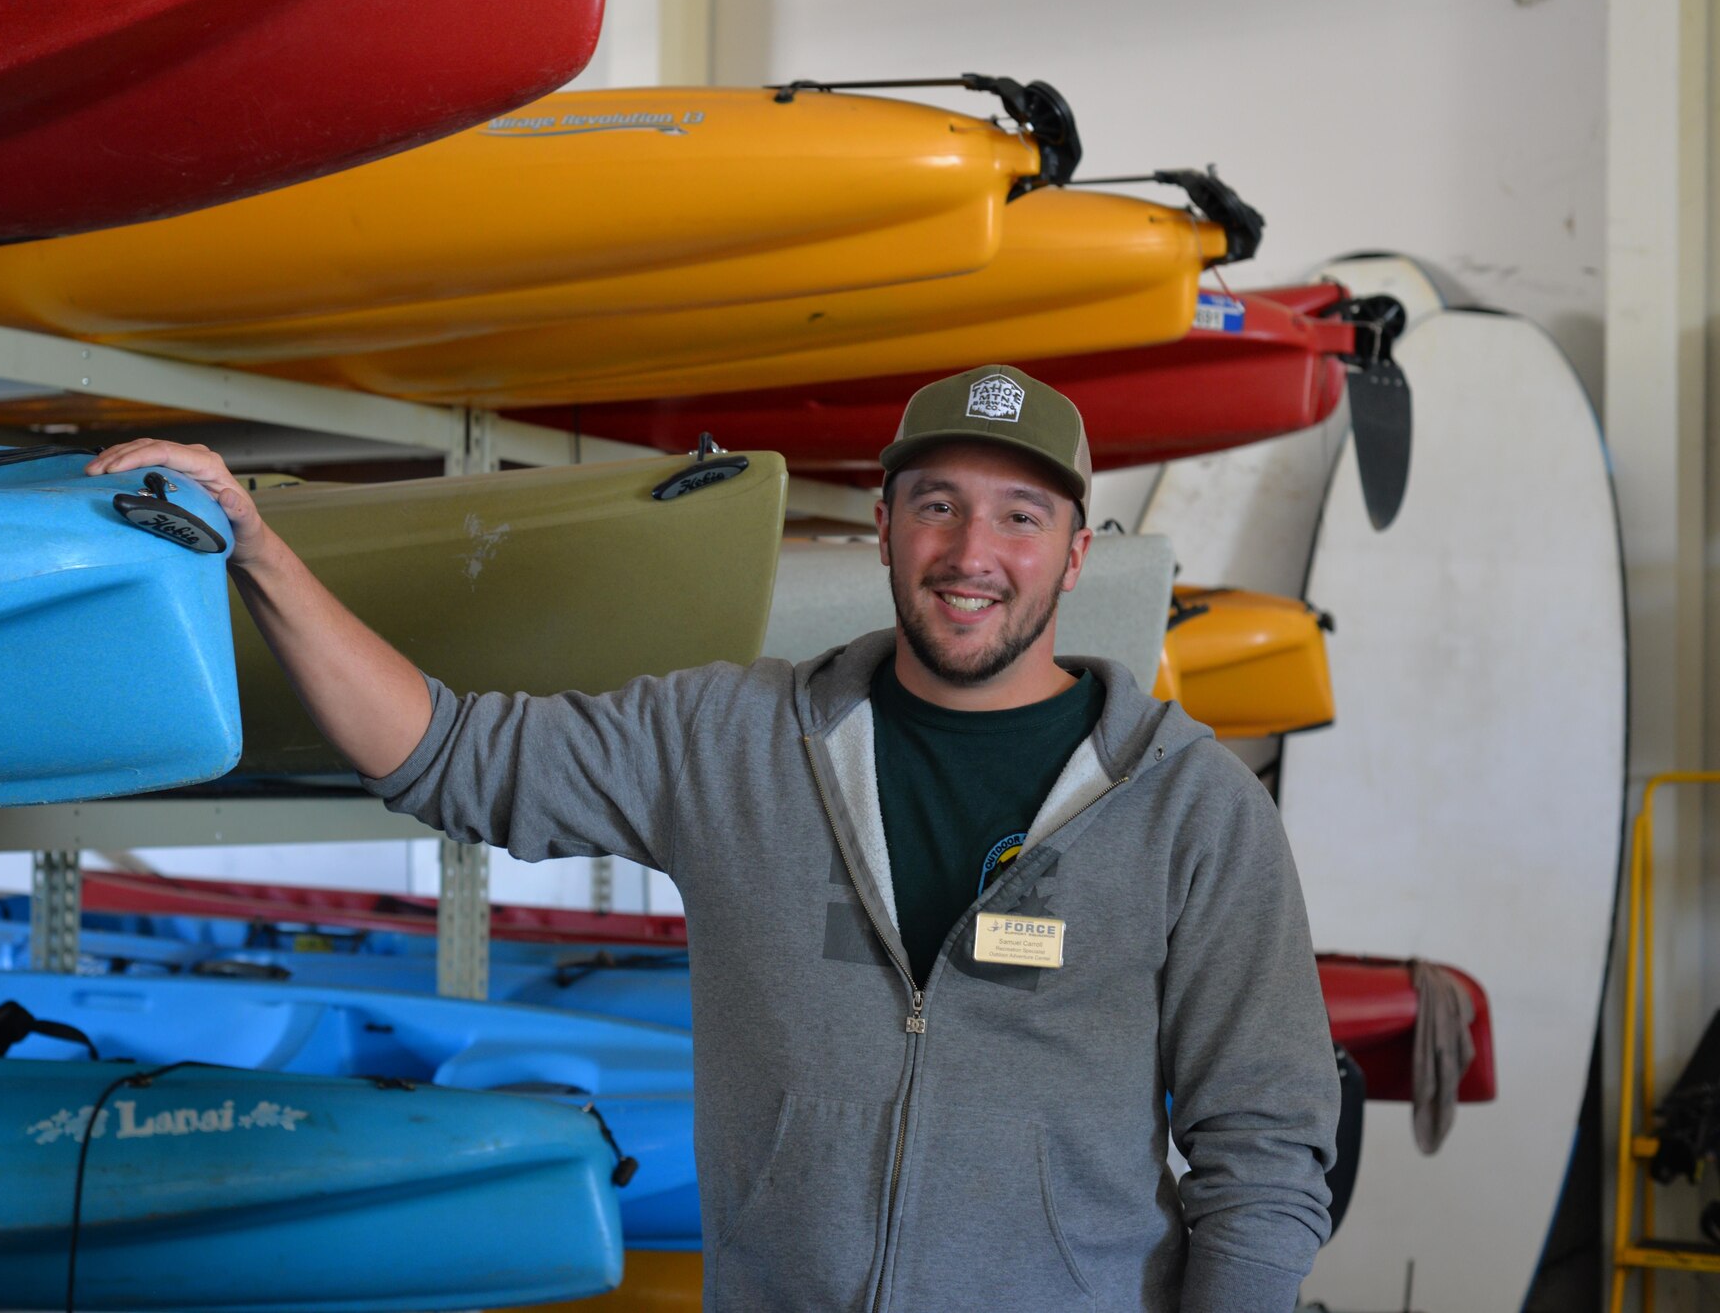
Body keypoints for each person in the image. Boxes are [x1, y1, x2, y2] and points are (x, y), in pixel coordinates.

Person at [87, 363, 1339, 1312]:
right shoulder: (727, 740)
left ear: (1074, 556)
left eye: (1019, 517)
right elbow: (448, 756)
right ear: (886, 527)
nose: (972, 554)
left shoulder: (1187, 806)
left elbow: (1265, 1152)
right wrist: (258, 550)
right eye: (937, 506)